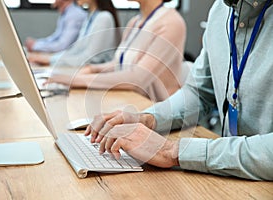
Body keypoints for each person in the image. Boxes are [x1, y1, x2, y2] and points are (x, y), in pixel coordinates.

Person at [84, 0, 273, 181]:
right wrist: (148, 118)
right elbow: (199, 92)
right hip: (228, 172)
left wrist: (173, 151)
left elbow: (137, 77)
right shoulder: (221, 11)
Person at [45, 0, 187, 102]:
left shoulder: (171, 22)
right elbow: (119, 63)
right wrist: (91, 69)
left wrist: (76, 80)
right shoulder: (135, 22)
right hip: (130, 100)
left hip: (156, 109)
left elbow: (137, 78)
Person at [28, 0, 120, 67]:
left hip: (96, 75)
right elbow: (75, 50)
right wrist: (48, 58)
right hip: (86, 71)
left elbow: (90, 59)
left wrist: (49, 59)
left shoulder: (104, 18)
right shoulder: (90, 17)